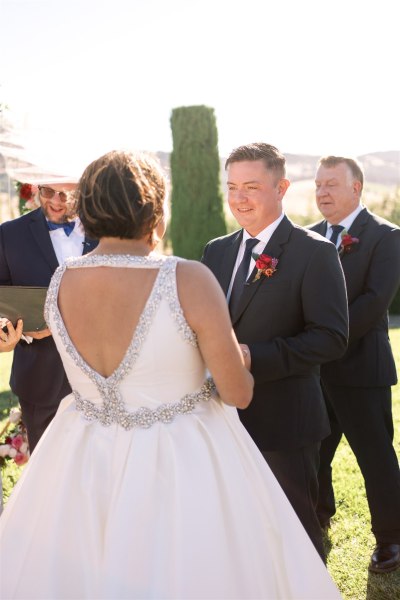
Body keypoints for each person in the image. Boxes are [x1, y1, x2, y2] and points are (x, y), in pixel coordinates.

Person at [0, 150, 342, 600]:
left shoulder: (62, 280)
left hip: (81, 456)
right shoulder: (188, 277)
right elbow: (237, 392)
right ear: (154, 207)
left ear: (90, 209)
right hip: (181, 461)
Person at [202, 142, 349, 561]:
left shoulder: (314, 252)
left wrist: (252, 355)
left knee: (296, 533)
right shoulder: (216, 251)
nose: (239, 198)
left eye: (251, 186)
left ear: (281, 186)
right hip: (218, 419)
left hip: (285, 421)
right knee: (235, 532)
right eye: (232, 187)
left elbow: (331, 337)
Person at [311, 155, 400, 574]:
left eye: (331, 184)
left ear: (356, 188)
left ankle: (391, 539)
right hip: (314, 373)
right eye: (318, 185)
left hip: (362, 369)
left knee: (376, 457)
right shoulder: (306, 238)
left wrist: (323, 340)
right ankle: (318, 517)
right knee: (312, 454)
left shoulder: (386, 237)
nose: (322, 192)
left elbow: (373, 302)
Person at [0, 177, 98, 451]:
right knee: (47, 479)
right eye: (48, 192)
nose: (56, 201)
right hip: (40, 380)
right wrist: (10, 334)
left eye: (66, 195)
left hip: (102, 379)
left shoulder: (108, 230)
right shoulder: (10, 235)